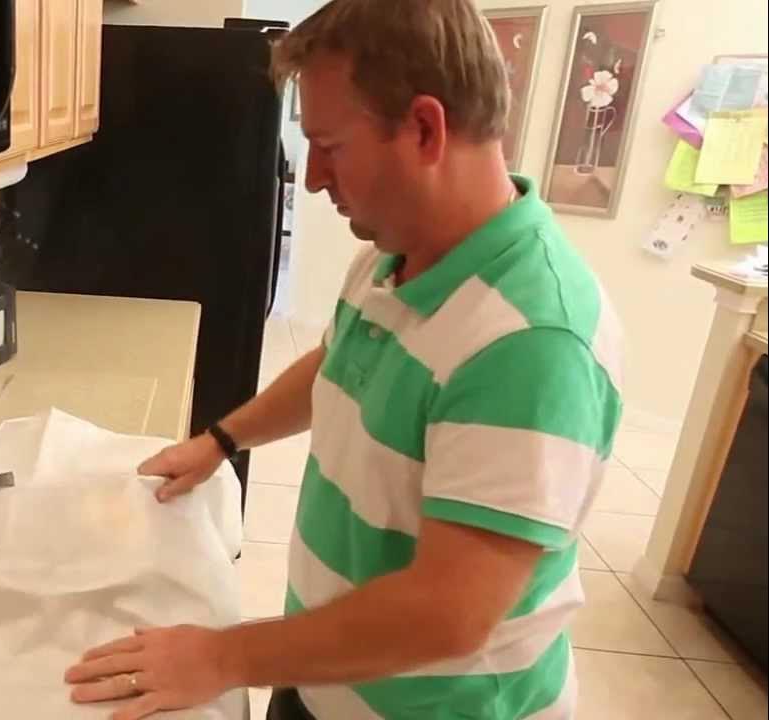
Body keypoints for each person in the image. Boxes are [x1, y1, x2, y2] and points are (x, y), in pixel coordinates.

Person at [63, 0, 624, 718]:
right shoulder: (396, 256)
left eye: (329, 145)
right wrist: (221, 440)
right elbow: (337, 362)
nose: (313, 178)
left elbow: (448, 616)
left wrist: (222, 657)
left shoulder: (533, 340)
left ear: (425, 129)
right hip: (328, 668)